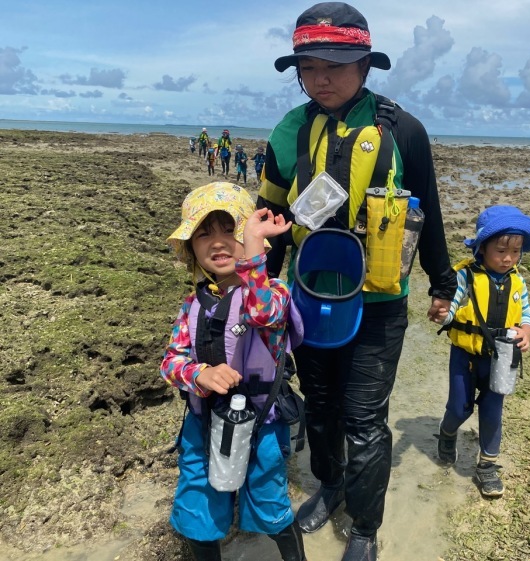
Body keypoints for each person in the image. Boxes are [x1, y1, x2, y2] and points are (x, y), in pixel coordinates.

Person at [256, 3, 456, 560]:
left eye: (337, 65)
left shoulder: (404, 131)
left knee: (365, 418)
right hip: (309, 296)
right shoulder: (287, 130)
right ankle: (331, 483)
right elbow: (268, 219)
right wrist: (259, 288)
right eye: (310, 65)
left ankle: (365, 527)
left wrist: (443, 284)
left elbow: (430, 215)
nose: (322, 77)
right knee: (319, 406)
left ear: (366, 65)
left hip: (380, 301)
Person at [160, 181, 306, 561]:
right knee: (198, 508)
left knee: (270, 502)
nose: (218, 242)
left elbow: (265, 314)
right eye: (204, 234)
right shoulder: (192, 305)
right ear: (191, 248)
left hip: (261, 423)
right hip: (202, 422)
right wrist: (199, 374)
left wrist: (255, 250)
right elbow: (170, 362)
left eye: (231, 230)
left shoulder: (272, 291)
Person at [432, 205, 530, 498]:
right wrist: (442, 313)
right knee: (459, 408)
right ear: (482, 248)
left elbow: (526, 314)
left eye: (516, 252)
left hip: (502, 358)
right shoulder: (465, 276)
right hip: (465, 356)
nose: (508, 258)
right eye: (501, 250)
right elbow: (452, 305)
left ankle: (487, 466)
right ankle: (447, 432)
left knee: (493, 412)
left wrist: (526, 332)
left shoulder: (518, 280)